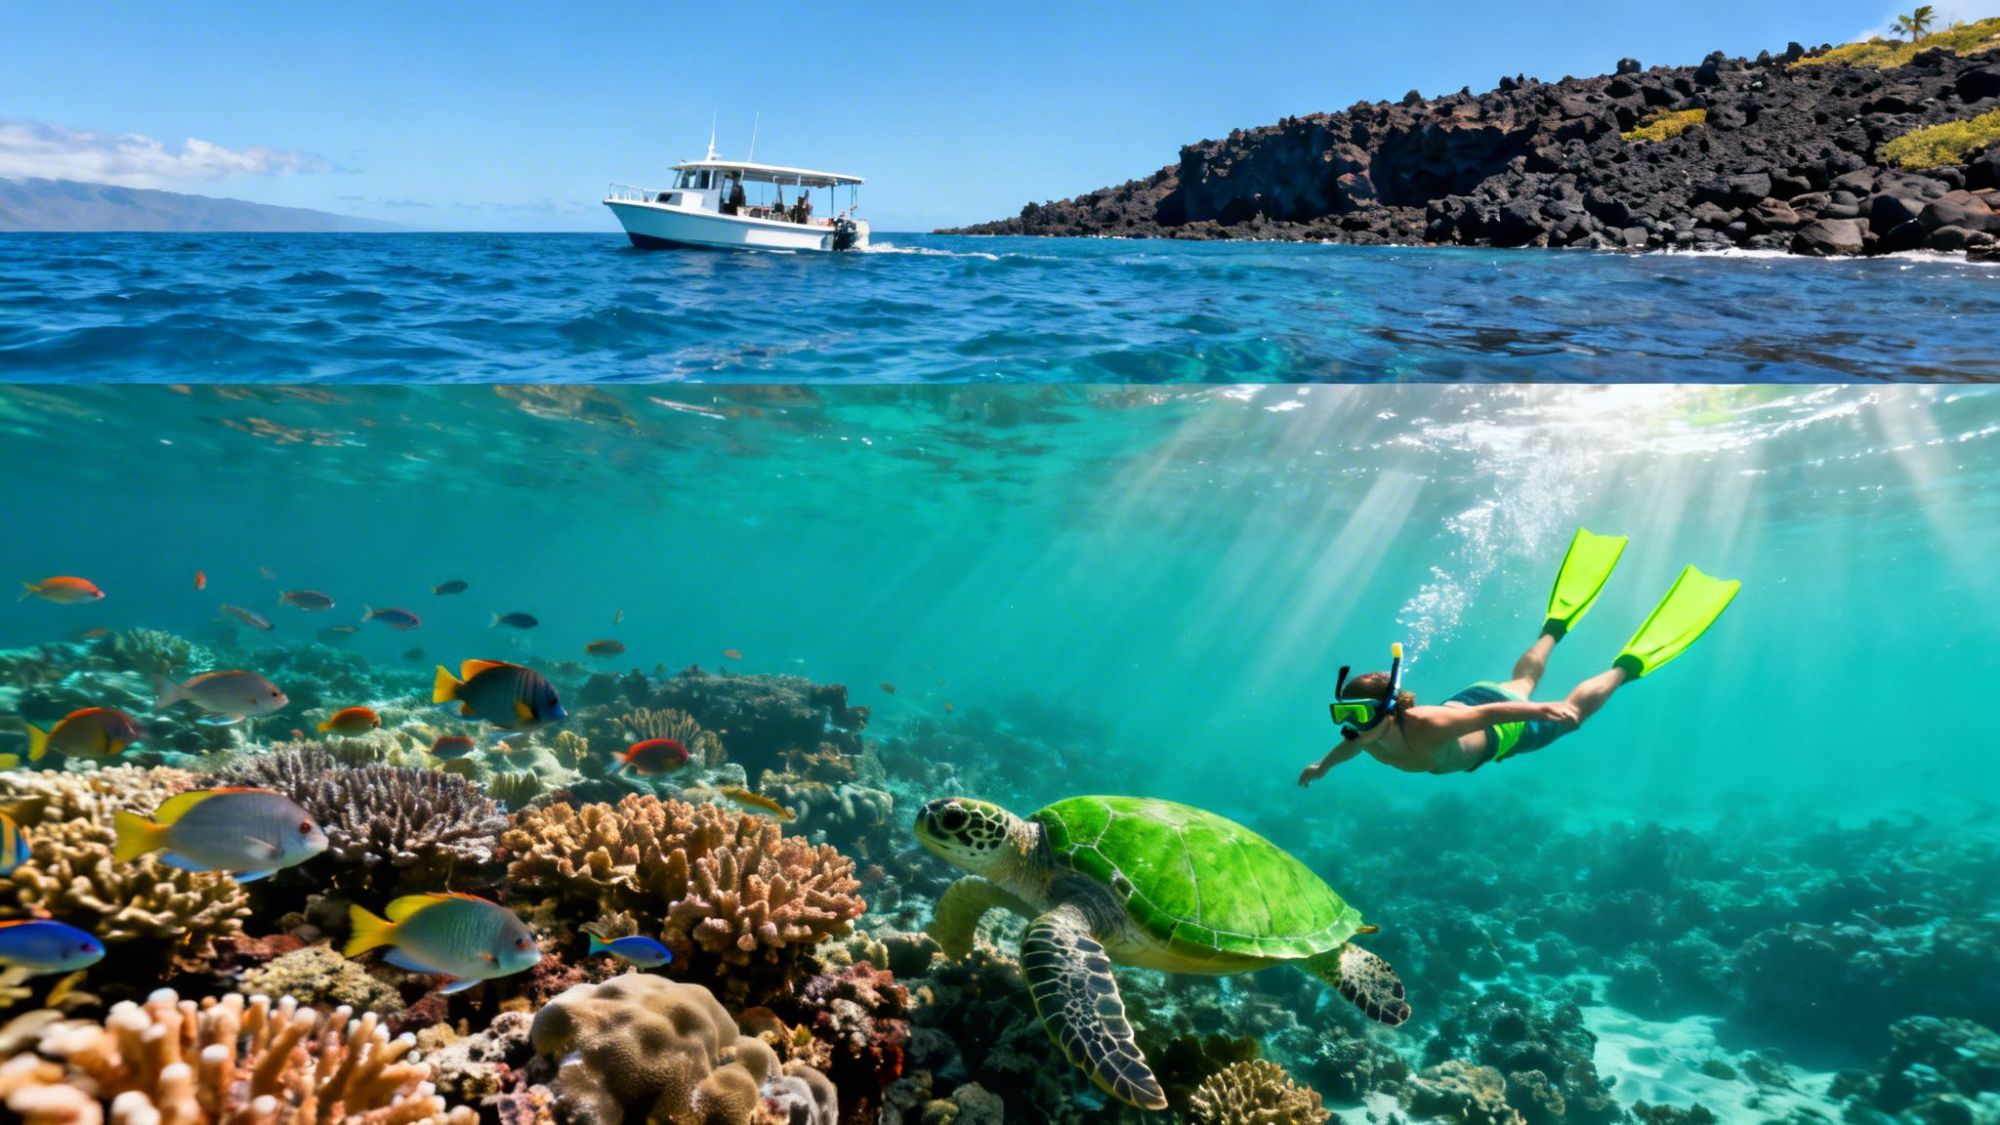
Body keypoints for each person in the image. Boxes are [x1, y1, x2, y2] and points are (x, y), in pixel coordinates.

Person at [1298, 529, 1739, 783]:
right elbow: (1347, 749)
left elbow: (1491, 715)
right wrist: (1322, 765)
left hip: (1506, 728)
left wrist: (1546, 711)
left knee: (1567, 712)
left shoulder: (1429, 725)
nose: (1351, 724)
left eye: (1360, 713)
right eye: (1346, 712)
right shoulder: (1363, 734)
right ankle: (1554, 628)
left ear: (1390, 712)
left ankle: (1626, 667)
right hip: (1471, 698)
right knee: (1522, 681)